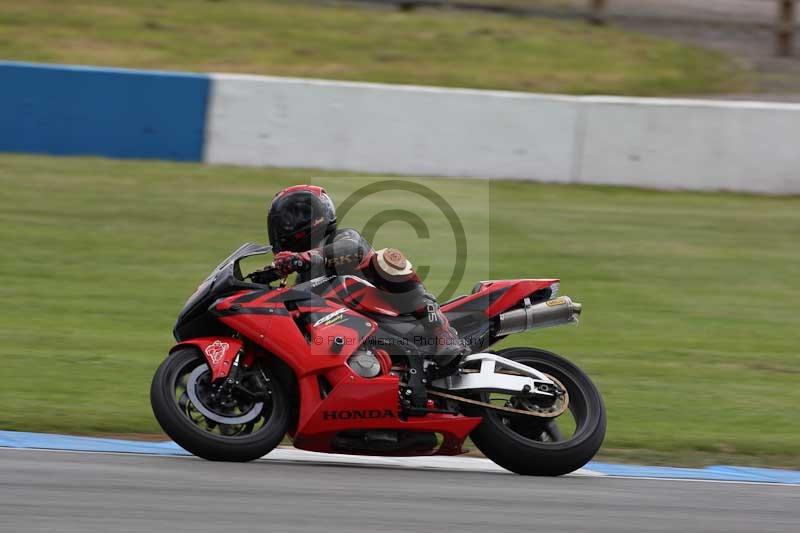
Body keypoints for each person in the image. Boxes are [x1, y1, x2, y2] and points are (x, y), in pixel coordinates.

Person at [264, 185, 464, 407]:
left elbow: (350, 249)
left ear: (318, 215)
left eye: (297, 215)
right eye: (284, 220)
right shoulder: (302, 279)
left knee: (386, 260)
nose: (288, 225)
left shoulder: (341, 238)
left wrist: (304, 258)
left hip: (391, 314)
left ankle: (441, 331)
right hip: (352, 336)